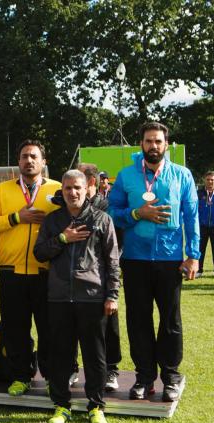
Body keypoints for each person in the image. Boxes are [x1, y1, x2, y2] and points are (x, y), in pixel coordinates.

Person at [108, 122, 199, 402]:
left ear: (166, 145)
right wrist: (137, 213)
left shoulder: (182, 176)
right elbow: (112, 213)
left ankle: (170, 376)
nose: (153, 146)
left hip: (170, 260)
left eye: (158, 141)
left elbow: (191, 216)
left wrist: (193, 255)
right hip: (135, 260)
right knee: (138, 321)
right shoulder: (125, 177)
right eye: (148, 141)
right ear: (141, 145)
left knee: (170, 320)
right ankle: (144, 377)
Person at [33, 169, 120, 423]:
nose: (72, 192)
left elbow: (112, 262)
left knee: (95, 357)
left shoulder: (102, 219)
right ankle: (62, 405)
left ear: (86, 189)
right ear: (62, 191)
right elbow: (39, 253)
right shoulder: (52, 221)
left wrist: (112, 295)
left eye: (77, 188)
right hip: (59, 298)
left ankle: (96, 406)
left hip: (92, 298)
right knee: (61, 356)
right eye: (68, 188)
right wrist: (62, 238)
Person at [0, 140, 61, 396]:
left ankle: (51, 376)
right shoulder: (3, 190)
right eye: (25, 156)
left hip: (46, 272)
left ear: (43, 161)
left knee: (49, 328)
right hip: (10, 272)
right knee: (15, 328)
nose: (29, 160)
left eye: (34, 156)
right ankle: (20, 375)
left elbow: (70, 218)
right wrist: (17, 218)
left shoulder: (57, 189)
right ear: (19, 161)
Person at [75, 162, 121, 390]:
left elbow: (114, 243)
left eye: (79, 180)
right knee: (72, 324)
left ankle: (111, 370)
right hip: (75, 279)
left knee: (108, 324)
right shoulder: (69, 206)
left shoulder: (106, 206)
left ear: (90, 182)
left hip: (101, 276)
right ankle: (72, 368)